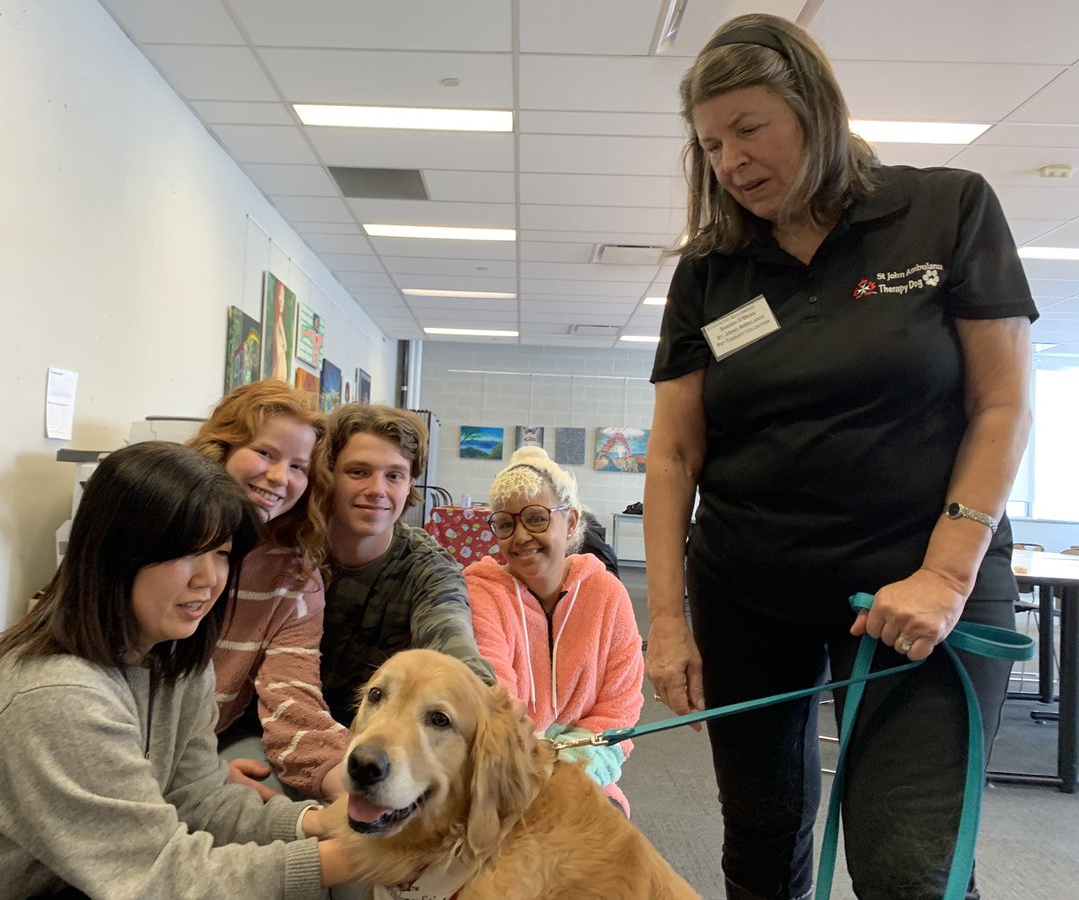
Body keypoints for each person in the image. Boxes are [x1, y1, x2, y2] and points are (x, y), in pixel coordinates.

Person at [644, 14, 1035, 900]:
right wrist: (668, 623)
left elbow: (1002, 403)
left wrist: (944, 573)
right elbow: (672, 455)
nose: (732, 162)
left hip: (919, 594)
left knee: (908, 869)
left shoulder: (947, 209)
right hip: (751, 594)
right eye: (711, 145)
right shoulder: (715, 273)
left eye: (750, 129)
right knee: (763, 842)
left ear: (814, 108)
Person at [0, 442, 357, 897]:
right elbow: (159, 879)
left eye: (222, 554)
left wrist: (315, 822)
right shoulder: (57, 696)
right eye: (185, 551)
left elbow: (194, 798)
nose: (209, 579)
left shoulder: (176, 662)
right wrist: (355, 859)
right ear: (116, 552)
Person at [188, 380, 347, 802]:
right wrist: (196, 772)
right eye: (264, 453)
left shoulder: (293, 578)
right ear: (222, 448)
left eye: (298, 466)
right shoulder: (159, 544)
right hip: (128, 743)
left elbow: (292, 700)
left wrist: (352, 793)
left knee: (267, 796)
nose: (279, 477)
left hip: (202, 747)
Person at [465, 447, 644, 813]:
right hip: (502, 773)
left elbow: (619, 710)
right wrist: (528, 774)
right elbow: (492, 702)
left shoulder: (607, 594)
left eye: (536, 518)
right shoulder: (480, 592)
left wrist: (567, 774)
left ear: (572, 521)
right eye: (505, 523)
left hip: (586, 772)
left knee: (603, 848)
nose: (520, 537)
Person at [318, 403, 495, 726]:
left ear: (411, 482)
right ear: (328, 474)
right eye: (358, 472)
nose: (376, 490)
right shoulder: (293, 552)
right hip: (266, 726)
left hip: (373, 745)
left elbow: (453, 641)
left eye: (394, 476)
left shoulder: (429, 570)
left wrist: (489, 706)